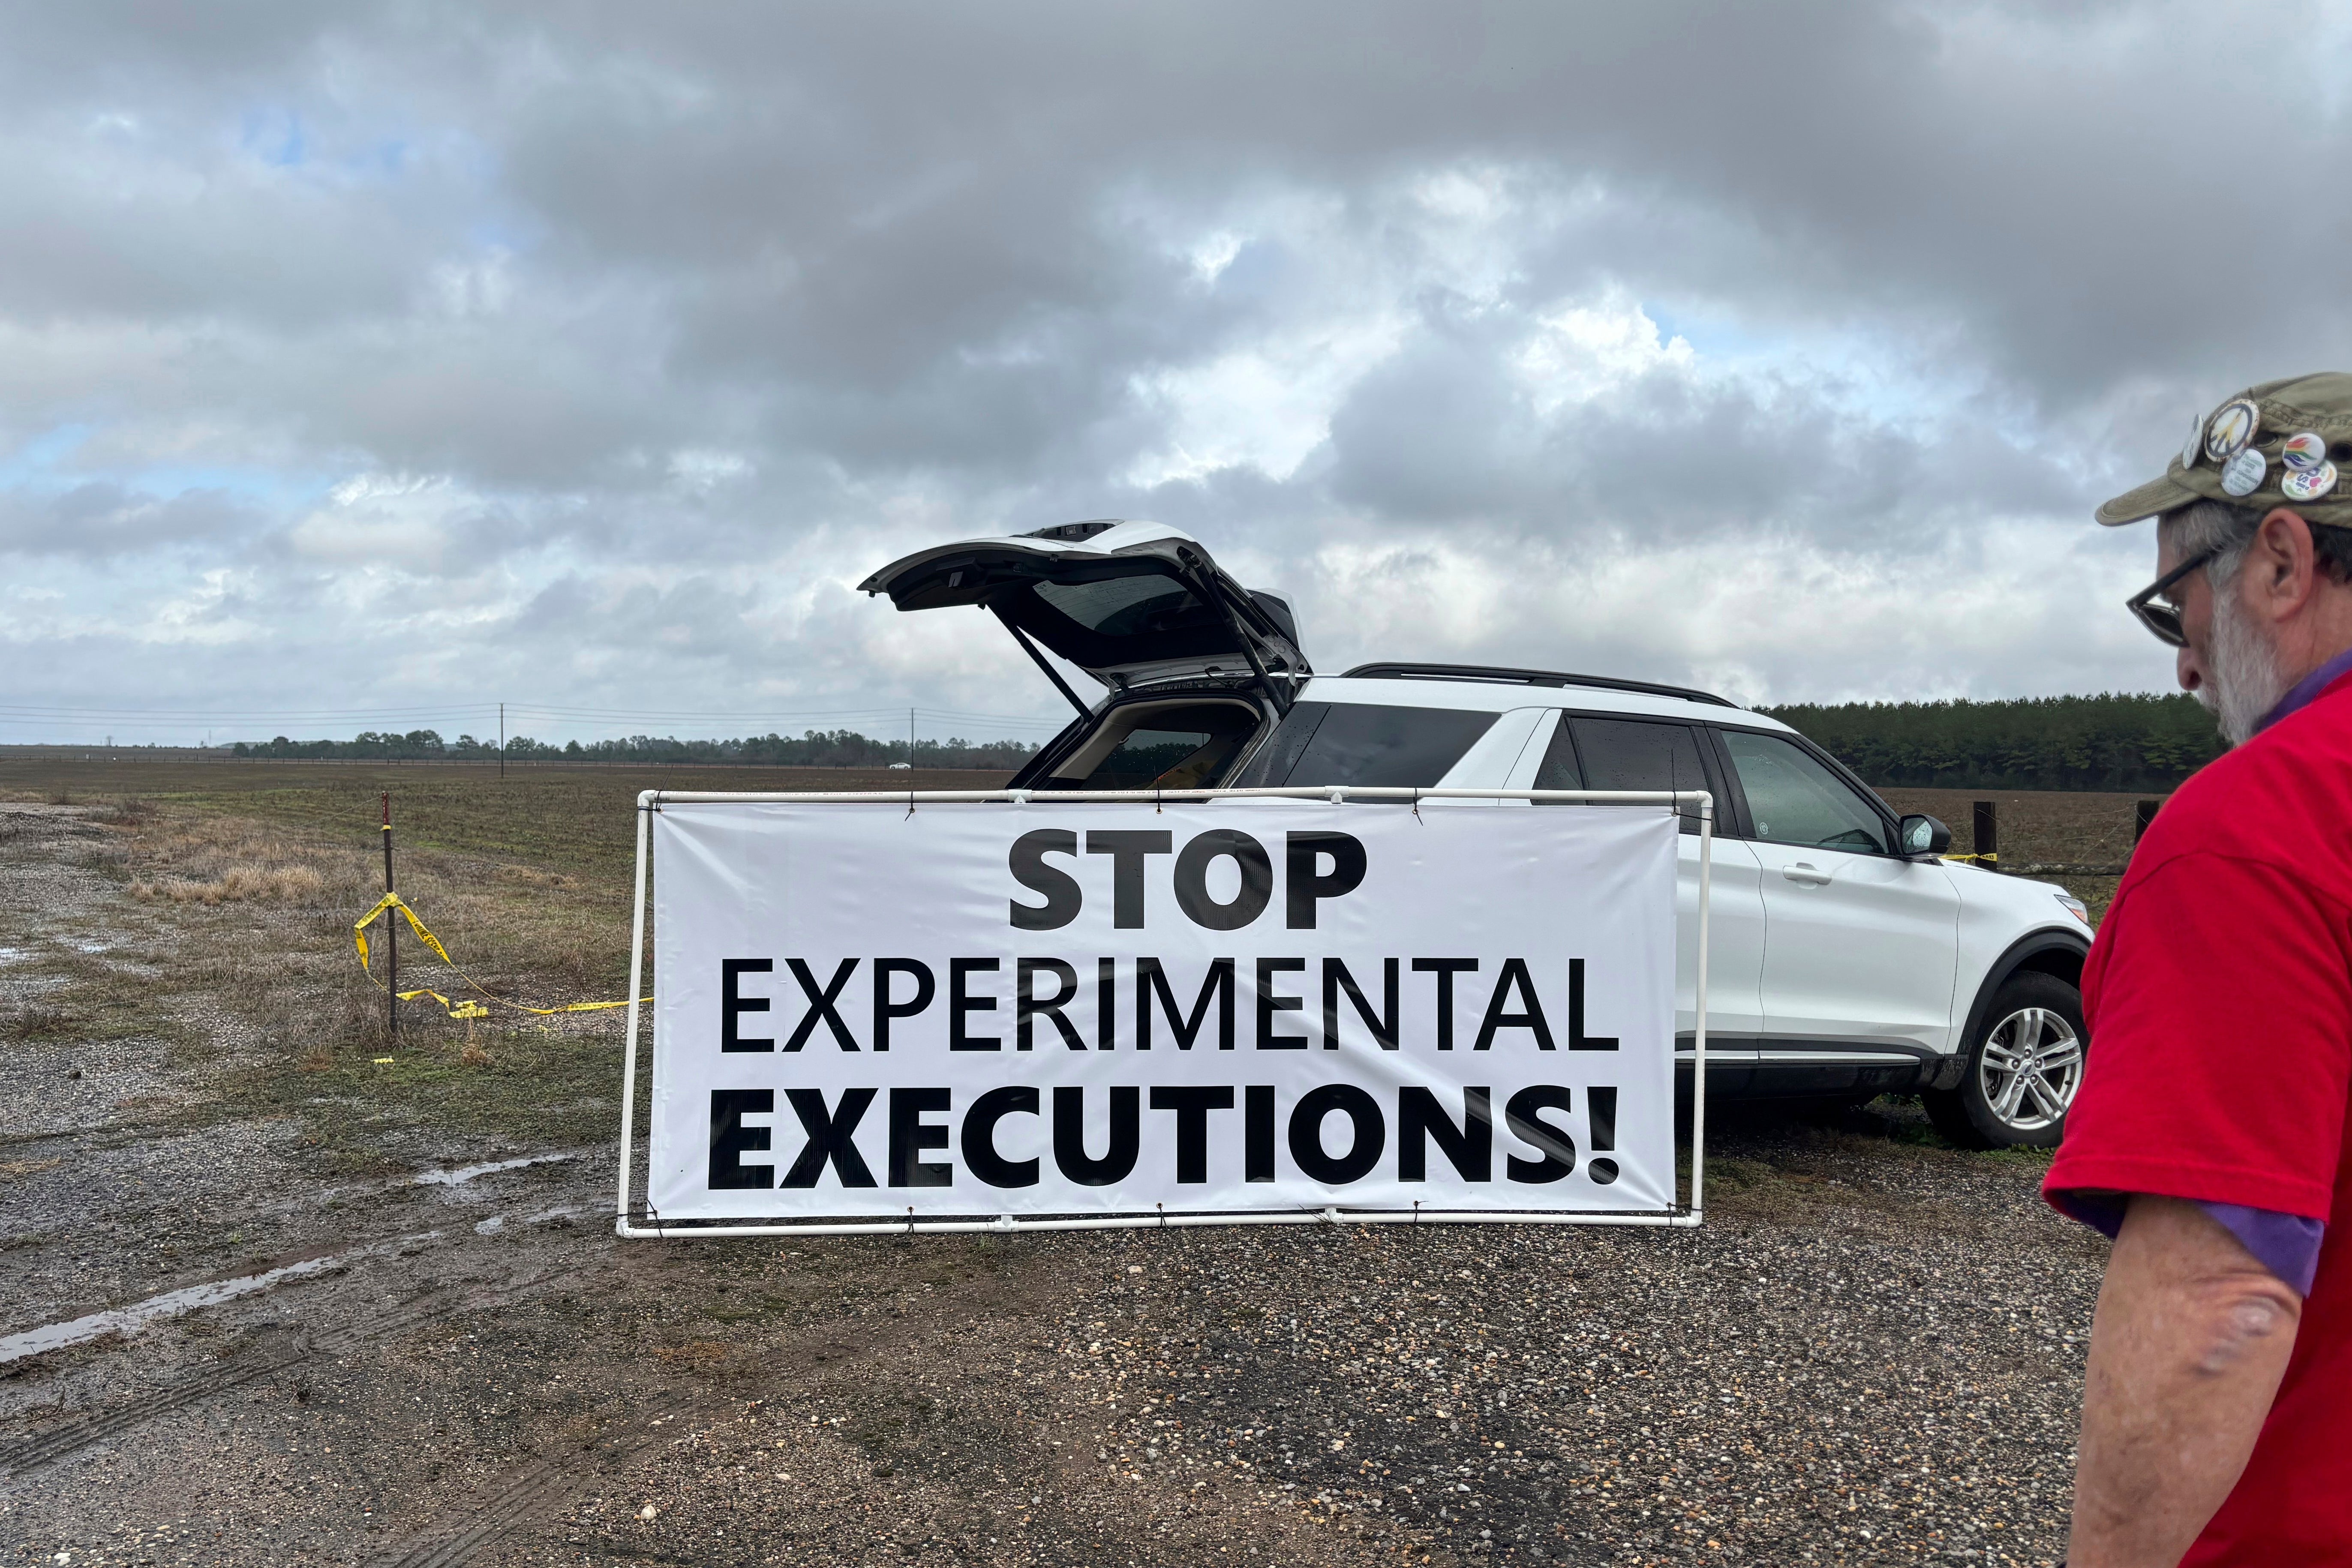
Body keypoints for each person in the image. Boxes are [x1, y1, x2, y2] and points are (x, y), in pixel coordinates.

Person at [2048, 372, 2352, 1564]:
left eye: (2174, 606)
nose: (2181, 665)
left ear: (2282, 563)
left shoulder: (2258, 829)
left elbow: (2217, 1299)